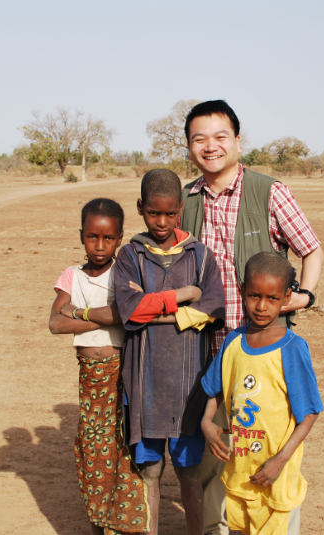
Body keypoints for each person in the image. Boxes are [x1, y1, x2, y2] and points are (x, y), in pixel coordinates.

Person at [180, 100, 324, 535]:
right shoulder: (185, 201)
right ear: (189, 147)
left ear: (238, 141)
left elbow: (310, 249)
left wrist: (305, 295)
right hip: (207, 347)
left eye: (220, 136)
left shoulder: (269, 192)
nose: (211, 146)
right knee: (214, 454)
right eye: (199, 139)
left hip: (260, 348)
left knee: (264, 442)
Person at [114, 169, 226, 535]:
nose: (161, 222)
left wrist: (160, 313)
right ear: (140, 209)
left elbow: (214, 307)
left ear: (180, 209)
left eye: (169, 213)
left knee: (189, 472)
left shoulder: (200, 255)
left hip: (188, 387)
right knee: (150, 472)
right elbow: (129, 310)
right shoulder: (129, 255)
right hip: (144, 385)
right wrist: (184, 299)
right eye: (152, 213)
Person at [200, 252, 324, 535]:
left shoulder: (292, 348)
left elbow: (309, 414)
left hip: (277, 476)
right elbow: (215, 388)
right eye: (254, 295)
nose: (261, 306)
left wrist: (280, 460)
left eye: (272, 298)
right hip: (240, 471)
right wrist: (207, 423)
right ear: (242, 290)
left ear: (287, 298)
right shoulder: (233, 341)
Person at [48, 198, 149, 535]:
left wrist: (78, 313)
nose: (100, 245)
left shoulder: (124, 272)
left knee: (123, 450)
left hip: (121, 375)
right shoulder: (72, 275)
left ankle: (125, 524)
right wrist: (104, 318)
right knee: (92, 451)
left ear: (120, 238)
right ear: (81, 236)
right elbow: (54, 324)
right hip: (89, 381)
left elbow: (125, 313)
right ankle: (98, 522)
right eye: (93, 237)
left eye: (108, 238)